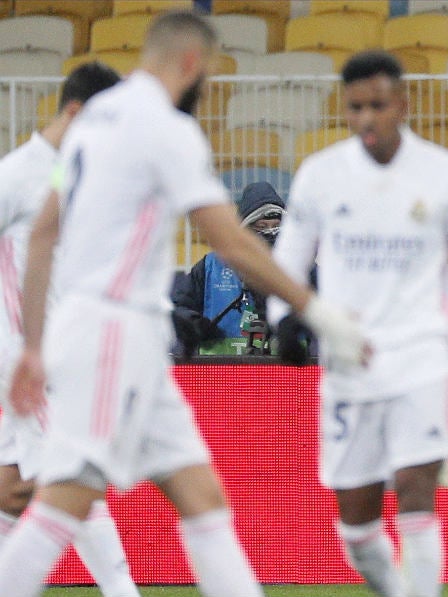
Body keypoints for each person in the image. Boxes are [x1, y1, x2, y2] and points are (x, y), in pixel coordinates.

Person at [0, 12, 367, 597]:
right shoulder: (165, 128)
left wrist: (38, 344)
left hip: (120, 333)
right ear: (192, 63)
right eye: (212, 74)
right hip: (113, 330)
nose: (210, 87)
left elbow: (43, 230)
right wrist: (317, 311)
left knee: (202, 497)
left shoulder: (93, 122)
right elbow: (229, 238)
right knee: (63, 500)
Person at [267, 50, 448, 597]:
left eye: (377, 106)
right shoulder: (321, 176)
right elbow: (287, 262)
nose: (365, 119)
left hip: (421, 355)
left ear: (402, 105)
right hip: (349, 361)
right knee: (356, 525)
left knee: (414, 487)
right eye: (355, 107)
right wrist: (284, 318)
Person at [0, 62, 140, 597]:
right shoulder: (17, 177)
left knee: (14, 487)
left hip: (60, 354)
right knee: (75, 481)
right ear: (77, 112)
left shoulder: (74, 176)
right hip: (27, 361)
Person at [171, 181, 294, 356]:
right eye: (261, 227)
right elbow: (178, 307)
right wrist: (195, 326)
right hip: (219, 376)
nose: (270, 233)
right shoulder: (211, 266)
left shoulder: (298, 269)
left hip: (286, 377)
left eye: (276, 227)